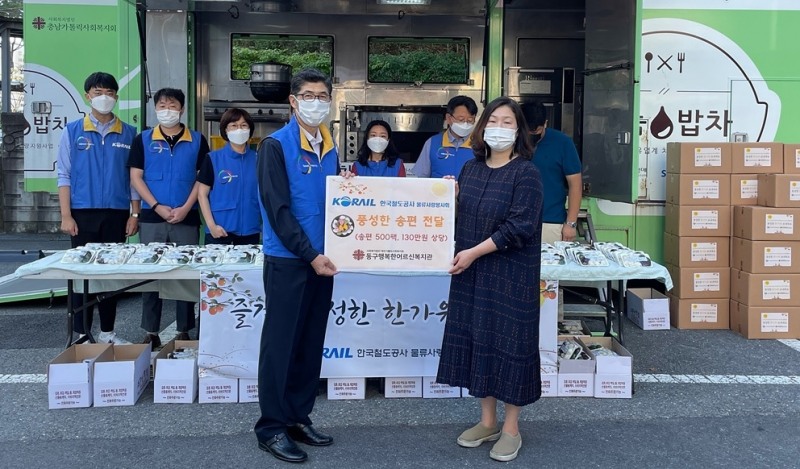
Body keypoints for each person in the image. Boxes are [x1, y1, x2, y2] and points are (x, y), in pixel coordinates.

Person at [436, 96, 543, 463]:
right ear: (483, 127)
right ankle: (487, 421)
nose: (499, 127)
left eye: (508, 122)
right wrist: (444, 198)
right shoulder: (471, 169)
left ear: (519, 131)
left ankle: (511, 428)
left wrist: (473, 252)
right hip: (473, 273)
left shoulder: (526, 172)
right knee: (478, 340)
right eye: (493, 120)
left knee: (510, 346)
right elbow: (457, 217)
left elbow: (520, 227)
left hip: (511, 276)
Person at [254, 69, 340, 464]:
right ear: (293, 100)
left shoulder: (330, 146)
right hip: (291, 260)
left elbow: (337, 204)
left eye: (323, 95)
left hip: (325, 261)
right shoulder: (275, 145)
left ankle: (297, 417)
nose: (316, 102)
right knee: (281, 344)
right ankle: (271, 426)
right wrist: (310, 255)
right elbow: (279, 211)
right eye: (308, 95)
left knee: (309, 342)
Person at [57, 72, 139, 345]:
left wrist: (134, 213)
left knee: (110, 277)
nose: (103, 97)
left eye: (109, 92)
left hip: (116, 213)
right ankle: (81, 333)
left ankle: (107, 333)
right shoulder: (73, 131)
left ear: (116, 96)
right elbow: (64, 176)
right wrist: (66, 215)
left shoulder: (128, 133)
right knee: (83, 275)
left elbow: (134, 179)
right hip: (82, 213)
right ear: (87, 96)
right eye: (97, 92)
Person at [128, 87, 209, 349]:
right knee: (152, 274)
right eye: (162, 105)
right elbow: (136, 177)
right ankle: (151, 330)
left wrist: (186, 207)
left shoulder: (197, 140)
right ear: (155, 109)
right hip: (153, 217)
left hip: (186, 216)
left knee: (184, 276)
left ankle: (185, 330)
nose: (167, 110)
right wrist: (156, 206)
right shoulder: (143, 139)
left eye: (172, 105)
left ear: (182, 109)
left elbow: (202, 179)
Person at [196, 108, 261, 245]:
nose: (239, 129)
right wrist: (211, 226)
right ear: (225, 130)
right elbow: (202, 194)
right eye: (234, 125)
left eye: (244, 125)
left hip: (250, 230)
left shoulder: (259, 159)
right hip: (220, 231)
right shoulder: (213, 159)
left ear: (250, 129)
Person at [523, 101, 582, 243]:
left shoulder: (562, 143)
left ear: (545, 123)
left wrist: (571, 224)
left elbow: (576, 185)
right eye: (527, 131)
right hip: (513, 221)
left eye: (536, 131)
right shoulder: (511, 141)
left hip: (550, 222)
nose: (531, 135)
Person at [414, 95, 478, 178]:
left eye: (470, 120)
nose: (465, 124)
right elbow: (421, 177)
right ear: (448, 118)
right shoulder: (432, 143)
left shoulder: (480, 144)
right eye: (461, 120)